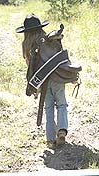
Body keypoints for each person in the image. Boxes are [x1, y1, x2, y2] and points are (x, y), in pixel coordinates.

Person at [16, 14, 81, 147]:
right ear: (40, 27)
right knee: (62, 105)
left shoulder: (27, 45)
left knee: (48, 108)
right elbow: (60, 59)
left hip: (42, 81)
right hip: (58, 78)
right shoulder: (49, 40)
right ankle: (62, 131)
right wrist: (71, 75)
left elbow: (30, 67)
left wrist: (35, 86)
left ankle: (50, 139)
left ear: (26, 31)